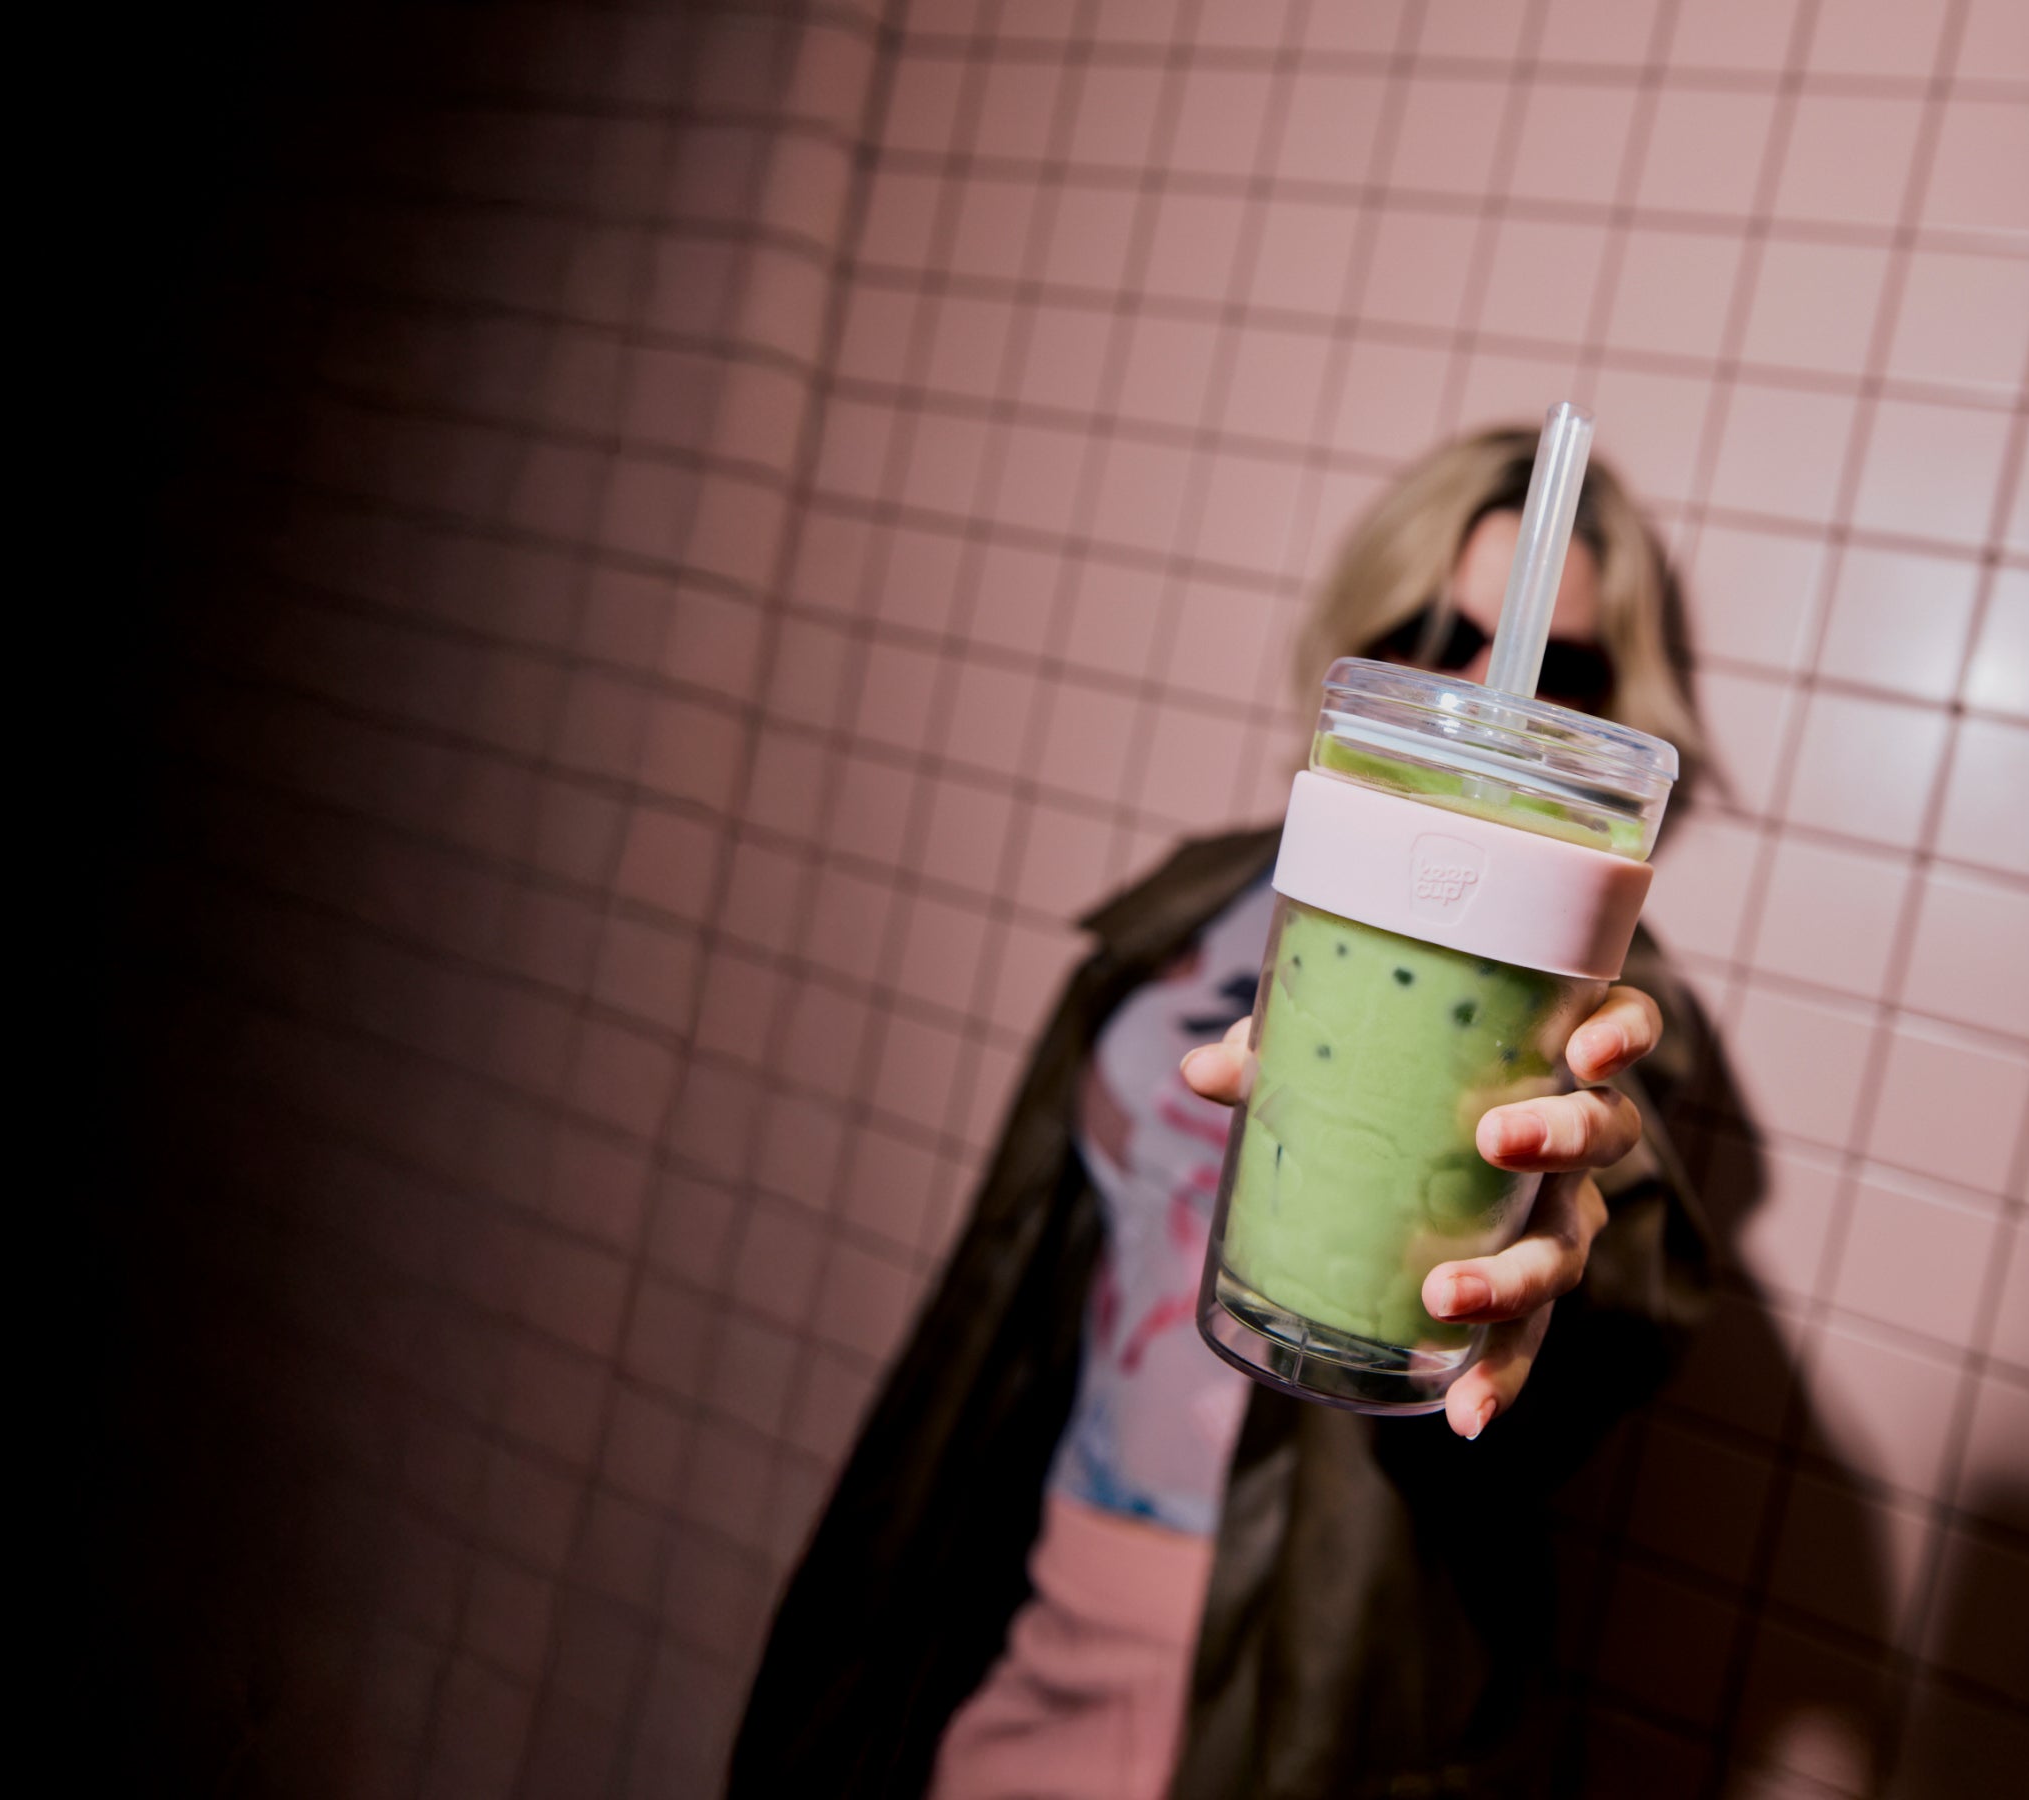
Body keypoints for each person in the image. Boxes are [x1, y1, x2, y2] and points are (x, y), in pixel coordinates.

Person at [731, 424, 1740, 1799]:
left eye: (1555, 669)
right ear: (1371, 633)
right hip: (1029, 1613)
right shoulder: (1208, 896)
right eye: (1447, 631)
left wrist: (1557, 1225)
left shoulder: (1599, 1003)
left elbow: (1622, 1222)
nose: (1475, 691)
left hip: (1292, 1708)